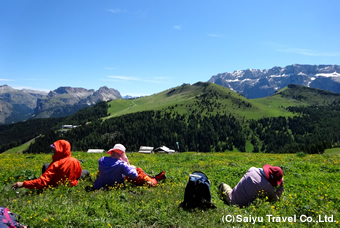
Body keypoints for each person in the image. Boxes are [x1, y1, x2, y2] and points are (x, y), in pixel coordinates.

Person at [12, 139, 85, 190]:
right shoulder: (75, 161)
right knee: (85, 172)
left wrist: (23, 184)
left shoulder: (55, 164)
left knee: (46, 166)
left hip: (55, 187)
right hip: (71, 184)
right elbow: (78, 174)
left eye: (55, 149)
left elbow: (41, 182)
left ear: (61, 150)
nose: (53, 151)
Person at [93, 143, 166, 190]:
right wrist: (131, 167)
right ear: (122, 154)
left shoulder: (102, 160)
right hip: (115, 187)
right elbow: (134, 175)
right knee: (138, 171)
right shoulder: (121, 164)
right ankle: (155, 179)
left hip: (98, 186)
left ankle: (154, 178)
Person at [218, 164, 284, 208]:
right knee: (224, 186)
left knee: (224, 186)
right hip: (239, 205)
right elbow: (275, 199)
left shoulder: (252, 169)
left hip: (233, 197)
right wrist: (281, 187)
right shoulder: (268, 187)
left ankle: (221, 187)